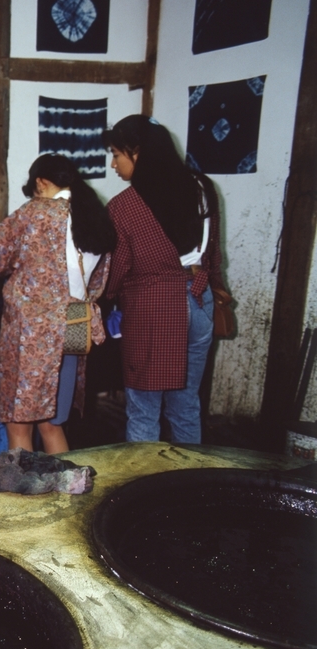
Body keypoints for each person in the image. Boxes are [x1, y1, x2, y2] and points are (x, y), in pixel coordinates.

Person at [0, 154, 116, 453]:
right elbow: (97, 279)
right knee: (52, 426)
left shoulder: (35, 213)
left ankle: (23, 483)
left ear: (40, 183)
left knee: (18, 425)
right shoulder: (92, 216)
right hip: (73, 328)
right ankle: (65, 482)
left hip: (32, 338)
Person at [103, 114, 225, 443]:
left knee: (144, 409)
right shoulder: (202, 187)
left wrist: (105, 298)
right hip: (200, 300)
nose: (113, 164)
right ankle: (189, 475)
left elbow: (117, 270)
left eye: (116, 154)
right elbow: (213, 253)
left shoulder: (125, 206)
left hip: (154, 310)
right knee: (186, 405)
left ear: (137, 152)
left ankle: (148, 477)